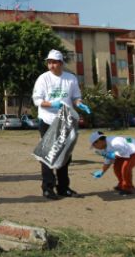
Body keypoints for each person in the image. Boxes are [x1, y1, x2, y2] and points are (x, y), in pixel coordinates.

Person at [31, 49, 91, 200]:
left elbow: (76, 97)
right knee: (48, 155)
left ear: (61, 63)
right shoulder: (43, 78)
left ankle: (63, 188)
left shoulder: (70, 79)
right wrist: (52, 103)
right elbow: (37, 100)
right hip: (47, 120)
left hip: (66, 120)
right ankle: (47, 188)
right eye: (49, 62)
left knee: (65, 155)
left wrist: (80, 104)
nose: (51, 65)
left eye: (54, 62)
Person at [89, 131, 135, 196]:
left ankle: (128, 187)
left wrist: (112, 155)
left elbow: (123, 151)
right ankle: (121, 184)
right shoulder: (103, 147)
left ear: (98, 141)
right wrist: (102, 171)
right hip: (124, 152)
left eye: (94, 145)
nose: (95, 147)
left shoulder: (115, 142)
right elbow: (108, 159)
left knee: (125, 168)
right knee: (116, 167)